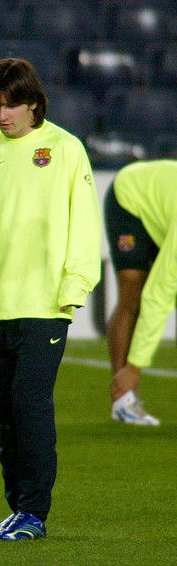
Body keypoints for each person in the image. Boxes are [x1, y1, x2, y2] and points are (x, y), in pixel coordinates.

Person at [0, 58, 102, 541]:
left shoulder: (66, 148)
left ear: (33, 103)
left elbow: (84, 223)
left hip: (45, 305)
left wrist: (74, 289)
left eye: (11, 104)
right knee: (7, 418)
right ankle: (18, 509)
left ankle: (34, 512)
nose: (2, 114)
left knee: (30, 405)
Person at [105, 160, 177, 425]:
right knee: (133, 288)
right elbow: (160, 293)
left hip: (163, 213)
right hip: (131, 195)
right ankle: (123, 400)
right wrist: (134, 367)